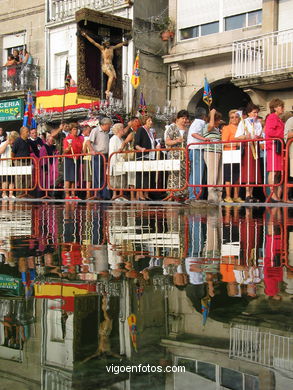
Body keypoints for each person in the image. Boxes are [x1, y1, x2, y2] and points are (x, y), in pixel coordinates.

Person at [80, 30, 128, 98]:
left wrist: (123, 43)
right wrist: (86, 35)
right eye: (107, 43)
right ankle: (107, 91)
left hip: (111, 66)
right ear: (104, 43)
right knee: (111, 76)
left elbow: (118, 45)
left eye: (108, 43)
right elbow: (93, 42)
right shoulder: (102, 49)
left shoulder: (111, 48)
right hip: (105, 66)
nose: (108, 44)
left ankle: (111, 90)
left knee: (114, 78)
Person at [235, 103, 263, 203]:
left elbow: (260, 135)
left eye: (257, 112)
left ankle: (251, 193)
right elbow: (237, 136)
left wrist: (258, 137)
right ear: (249, 113)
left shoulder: (258, 123)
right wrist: (246, 137)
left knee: (254, 171)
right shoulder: (243, 122)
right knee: (248, 170)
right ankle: (247, 194)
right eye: (254, 112)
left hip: (255, 148)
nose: (256, 114)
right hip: (247, 148)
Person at [165, 110, 189, 201]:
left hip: (185, 155)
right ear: (177, 119)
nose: (184, 120)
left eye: (186, 119)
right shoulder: (172, 127)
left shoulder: (187, 129)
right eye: (182, 118)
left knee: (184, 174)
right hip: (174, 155)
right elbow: (167, 141)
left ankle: (182, 194)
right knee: (174, 174)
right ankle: (172, 193)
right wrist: (176, 141)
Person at [265, 98, 285, 202]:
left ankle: (276, 194)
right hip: (272, 147)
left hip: (277, 147)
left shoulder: (278, 118)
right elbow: (269, 132)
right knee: (273, 170)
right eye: (281, 106)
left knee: (277, 171)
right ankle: (272, 194)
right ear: (275, 108)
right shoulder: (272, 117)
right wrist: (283, 136)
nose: (283, 108)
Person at [221, 110, 243, 203]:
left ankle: (236, 196)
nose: (234, 119)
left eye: (236, 117)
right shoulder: (227, 128)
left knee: (237, 175)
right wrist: (236, 144)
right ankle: (228, 196)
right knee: (228, 175)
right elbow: (224, 142)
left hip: (239, 152)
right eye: (232, 117)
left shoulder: (241, 128)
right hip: (229, 152)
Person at [87, 117, 111, 199]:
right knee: (97, 175)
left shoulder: (107, 132)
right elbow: (88, 142)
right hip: (98, 155)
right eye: (109, 125)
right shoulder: (96, 130)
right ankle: (97, 193)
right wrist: (92, 150)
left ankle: (104, 194)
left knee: (104, 175)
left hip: (105, 155)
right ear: (105, 124)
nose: (110, 127)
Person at [134, 115, 157, 201]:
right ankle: (140, 194)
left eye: (151, 120)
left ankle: (146, 194)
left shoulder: (150, 131)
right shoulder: (141, 130)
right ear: (145, 121)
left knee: (148, 175)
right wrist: (141, 149)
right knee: (141, 175)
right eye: (149, 120)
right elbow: (136, 144)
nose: (151, 122)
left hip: (151, 155)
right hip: (143, 155)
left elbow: (151, 143)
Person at [203, 109, 223, 203]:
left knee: (219, 174)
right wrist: (212, 114)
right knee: (212, 174)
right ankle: (211, 195)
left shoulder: (217, 129)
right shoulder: (207, 126)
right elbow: (210, 126)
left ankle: (219, 195)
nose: (219, 122)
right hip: (211, 151)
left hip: (218, 151)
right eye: (217, 120)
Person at [187, 107, 207, 200]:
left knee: (194, 173)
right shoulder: (200, 122)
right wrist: (204, 139)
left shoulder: (195, 122)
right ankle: (196, 195)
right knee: (197, 172)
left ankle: (193, 194)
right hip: (197, 149)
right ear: (204, 116)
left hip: (193, 149)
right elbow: (194, 133)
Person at [120, 117, 141, 201]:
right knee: (132, 176)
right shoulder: (132, 134)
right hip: (132, 156)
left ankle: (138, 195)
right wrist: (121, 149)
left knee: (138, 176)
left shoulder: (140, 132)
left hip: (138, 156)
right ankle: (132, 195)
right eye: (135, 121)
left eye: (138, 121)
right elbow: (125, 142)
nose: (137, 122)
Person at [63, 123, 83, 199]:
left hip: (76, 158)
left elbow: (80, 148)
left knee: (74, 177)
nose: (76, 131)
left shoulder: (79, 138)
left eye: (76, 129)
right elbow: (64, 151)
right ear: (70, 130)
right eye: (74, 129)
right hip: (69, 158)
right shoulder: (67, 139)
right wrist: (68, 148)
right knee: (68, 178)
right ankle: (67, 195)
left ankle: (73, 194)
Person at [108, 123, 126, 200]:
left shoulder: (121, 139)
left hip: (121, 161)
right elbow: (112, 151)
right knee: (115, 179)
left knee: (121, 179)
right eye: (122, 128)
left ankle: (121, 194)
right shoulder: (113, 139)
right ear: (119, 130)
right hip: (115, 161)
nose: (123, 130)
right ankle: (114, 195)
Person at [0, 131, 19, 199]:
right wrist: (7, 142)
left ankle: (11, 194)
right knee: (5, 180)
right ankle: (4, 193)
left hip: (12, 164)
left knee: (12, 180)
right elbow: (0, 151)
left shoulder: (15, 145)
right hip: (5, 165)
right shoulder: (3, 143)